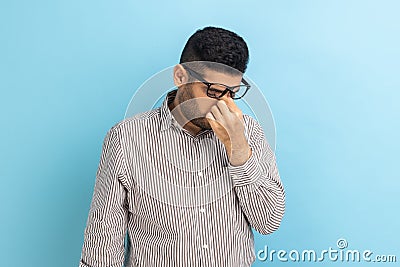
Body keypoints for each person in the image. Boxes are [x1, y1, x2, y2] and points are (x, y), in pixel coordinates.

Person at [79, 26, 285, 267]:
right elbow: (103, 244)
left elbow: (268, 221)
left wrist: (238, 148)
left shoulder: (248, 132)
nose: (225, 105)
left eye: (233, 93)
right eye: (215, 91)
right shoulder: (126, 138)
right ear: (180, 77)